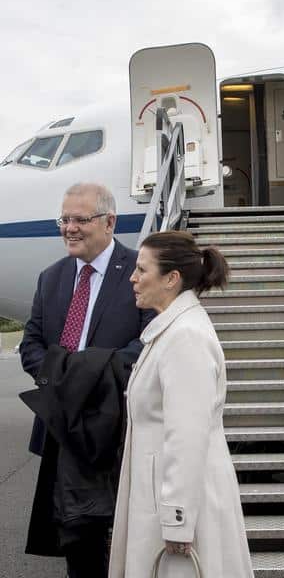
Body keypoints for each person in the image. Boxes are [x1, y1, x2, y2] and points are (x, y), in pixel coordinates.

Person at [19, 182, 153, 578]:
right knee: (75, 536)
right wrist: (65, 382)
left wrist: (89, 377)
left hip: (116, 424)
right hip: (64, 424)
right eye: (64, 219)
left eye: (81, 219)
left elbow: (148, 341)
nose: (70, 228)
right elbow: (31, 345)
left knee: (127, 535)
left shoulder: (139, 272)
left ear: (110, 222)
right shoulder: (51, 278)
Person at [108, 230, 252, 578]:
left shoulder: (184, 336)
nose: (133, 278)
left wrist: (177, 520)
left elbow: (187, 437)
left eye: (142, 269)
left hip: (179, 507)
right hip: (165, 497)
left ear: (171, 279)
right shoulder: (174, 330)